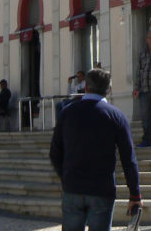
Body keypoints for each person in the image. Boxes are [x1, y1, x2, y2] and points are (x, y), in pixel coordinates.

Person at [49, 67, 142, 231]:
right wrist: (134, 194)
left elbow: (55, 152)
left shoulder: (67, 113)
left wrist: (65, 176)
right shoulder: (117, 117)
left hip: (73, 186)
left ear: (86, 87)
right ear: (109, 90)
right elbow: (128, 159)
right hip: (101, 188)